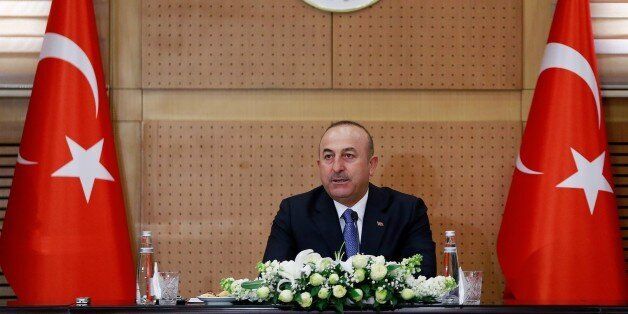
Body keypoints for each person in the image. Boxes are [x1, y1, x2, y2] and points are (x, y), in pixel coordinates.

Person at [262, 120, 436, 278]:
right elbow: (271, 279)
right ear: (319, 165)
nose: (337, 167)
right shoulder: (295, 213)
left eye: (348, 156)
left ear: (371, 165)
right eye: (328, 157)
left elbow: (423, 278)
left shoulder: (406, 210)